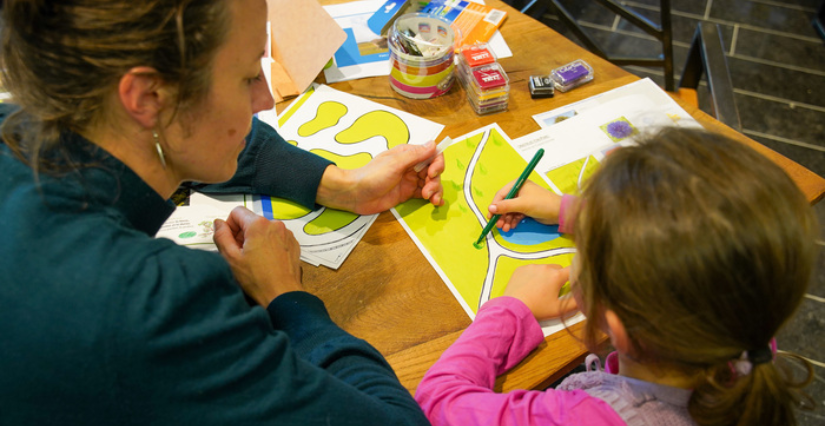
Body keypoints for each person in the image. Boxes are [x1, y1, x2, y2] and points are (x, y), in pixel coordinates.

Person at [0, 0, 443, 424]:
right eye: (249, 75)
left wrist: (340, 185)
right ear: (149, 95)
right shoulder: (147, 303)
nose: (267, 99)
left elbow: (206, 137)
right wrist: (288, 300)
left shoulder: (25, 122)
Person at [415, 127, 818, 426]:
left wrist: (510, 309)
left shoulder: (585, 419)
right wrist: (567, 209)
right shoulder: (742, 321)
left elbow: (436, 403)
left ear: (618, 328)